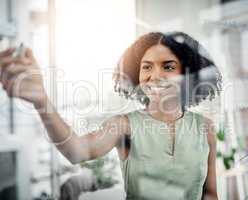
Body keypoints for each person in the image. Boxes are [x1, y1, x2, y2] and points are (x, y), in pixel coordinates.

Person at [0, 31, 221, 200]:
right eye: (146, 67)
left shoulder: (205, 128)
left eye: (168, 67)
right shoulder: (124, 125)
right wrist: (42, 101)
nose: (155, 76)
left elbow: (210, 194)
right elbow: (77, 151)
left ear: (187, 73)